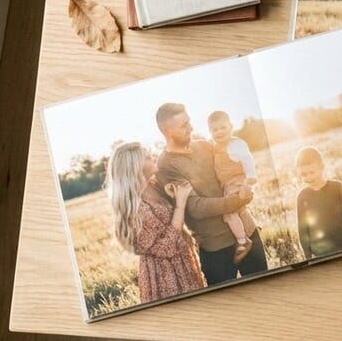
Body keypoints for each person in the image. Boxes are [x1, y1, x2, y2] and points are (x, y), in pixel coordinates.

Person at [154, 103, 268, 285]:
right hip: (216, 249)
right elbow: (195, 207)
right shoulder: (166, 167)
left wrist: (246, 183)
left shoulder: (206, 146)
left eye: (189, 122)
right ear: (166, 131)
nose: (190, 127)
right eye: (184, 125)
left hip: (248, 232)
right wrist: (237, 201)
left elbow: (237, 166)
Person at [105, 142, 205, 303]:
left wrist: (171, 196)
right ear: (135, 167)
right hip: (164, 273)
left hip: (182, 261)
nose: (154, 158)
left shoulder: (153, 186)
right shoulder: (137, 208)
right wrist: (180, 203)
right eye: (148, 157)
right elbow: (166, 247)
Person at [206, 111, 256, 263]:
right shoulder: (215, 147)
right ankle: (247, 229)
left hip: (238, 182)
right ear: (210, 132)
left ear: (231, 127)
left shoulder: (236, 144)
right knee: (236, 211)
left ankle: (242, 241)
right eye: (215, 130)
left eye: (223, 127)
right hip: (227, 185)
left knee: (228, 213)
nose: (219, 132)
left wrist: (249, 179)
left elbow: (248, 160)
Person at [294, 147, 342, 259]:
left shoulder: (337, 188)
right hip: (320, 255)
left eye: (312, 172)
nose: (308, 177)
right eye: (304, 174)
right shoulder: (302, 197)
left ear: (322, 168)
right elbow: (303, 229)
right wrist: (308, 256)